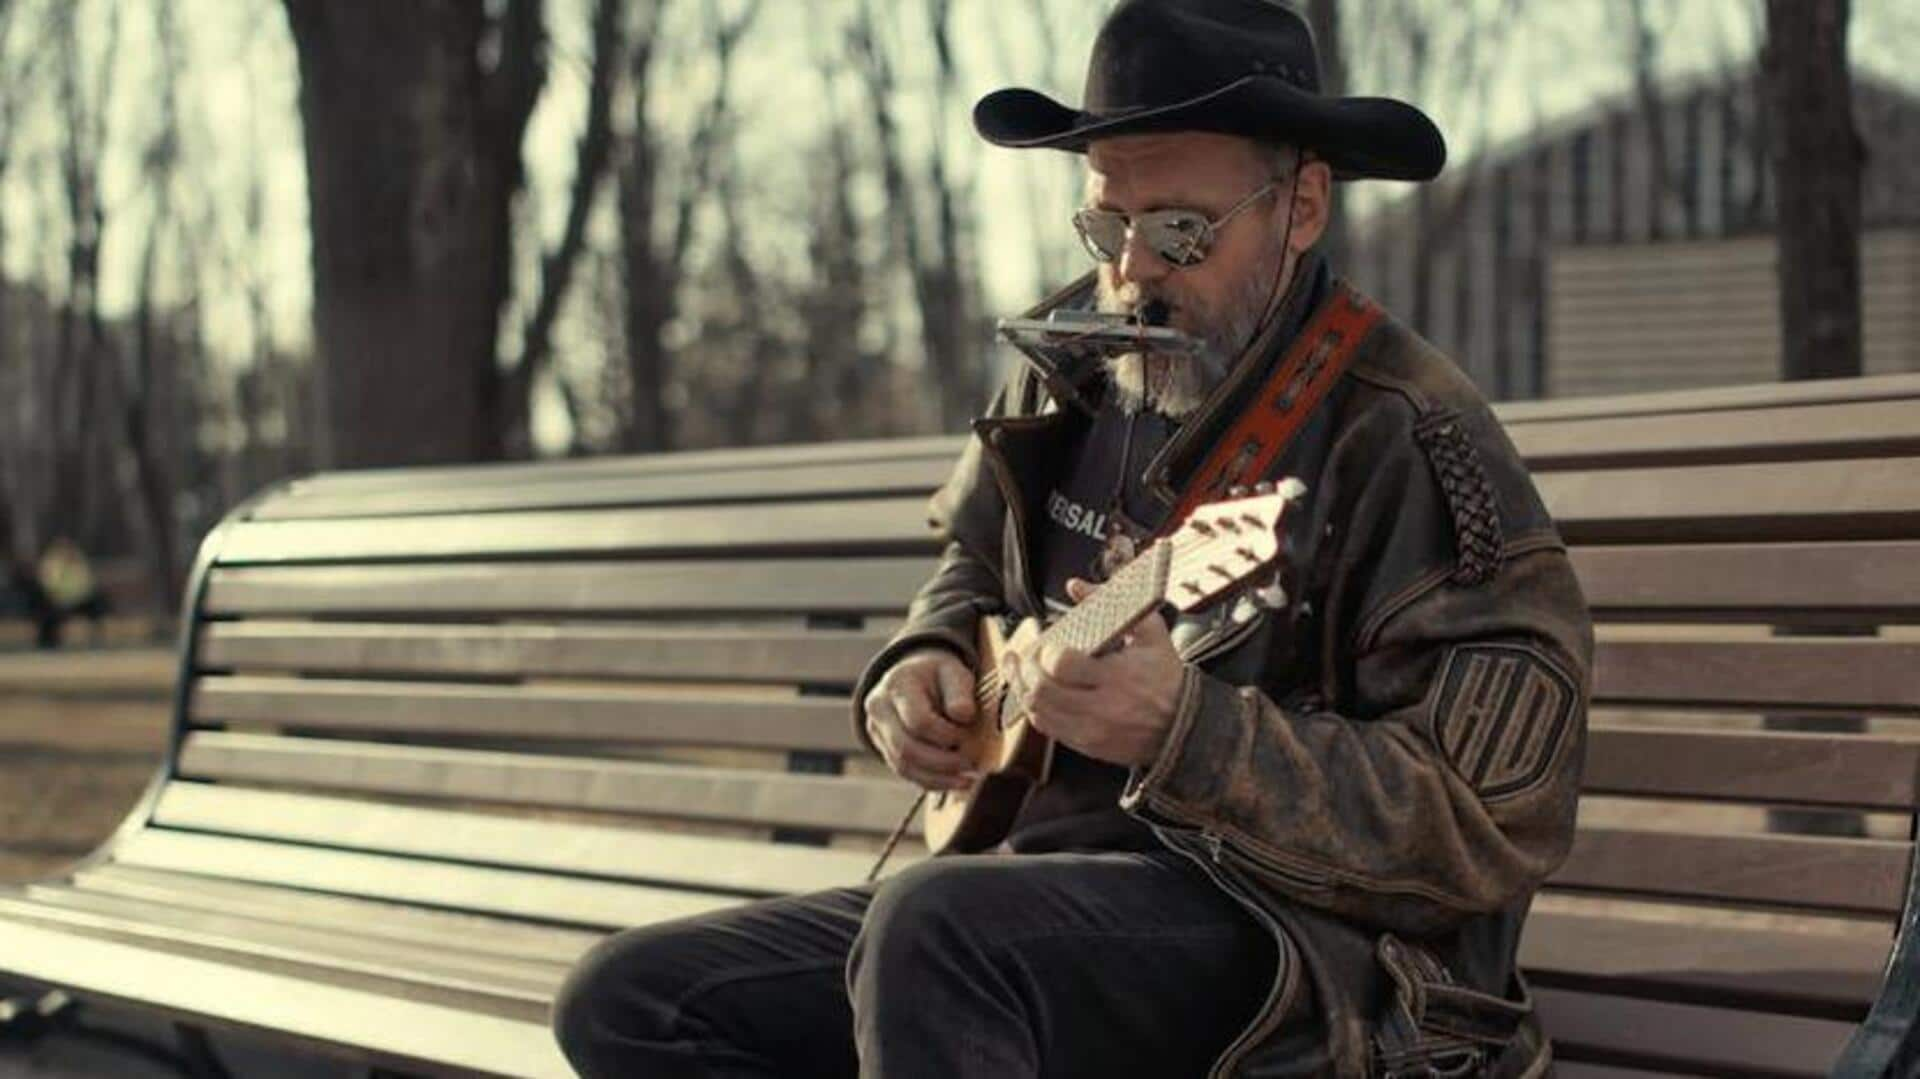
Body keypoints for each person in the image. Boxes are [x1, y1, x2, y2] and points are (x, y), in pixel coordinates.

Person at [551, 1, 1592, 1075]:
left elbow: (1487, 823)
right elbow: (968, 563)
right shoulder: (1076, 357)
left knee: (934, 931)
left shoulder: (1410, 433)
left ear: (1303, 204)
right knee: (632, 1000)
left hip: (1298, 955)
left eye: (1181, 230)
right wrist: (924, 661)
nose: (1135, 269)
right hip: (1027, 900)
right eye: (1108, 225)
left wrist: (1191, 730)